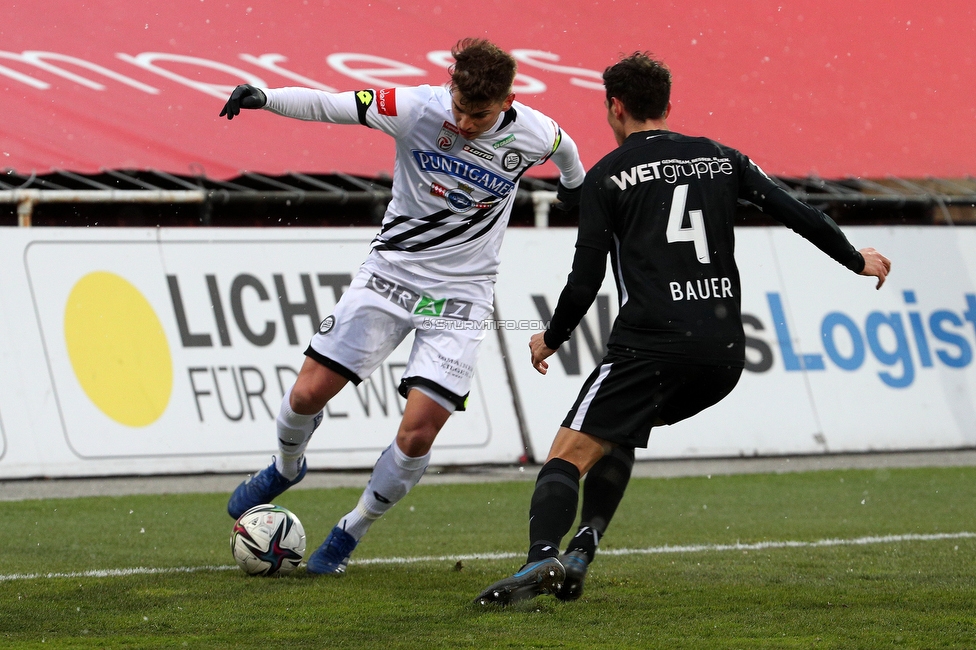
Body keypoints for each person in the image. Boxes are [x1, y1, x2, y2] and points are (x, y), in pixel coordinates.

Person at [474, 52, 891, 605]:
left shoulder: (605, 177)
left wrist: (550, 338)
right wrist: (853, 258)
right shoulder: (722, 159)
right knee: (617, 434)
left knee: (566, 454)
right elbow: (796, 210)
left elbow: (585, 280)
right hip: (721, 355)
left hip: (649, 344)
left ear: (614, 108)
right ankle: (584, 545)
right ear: (668, 106)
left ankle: (540, 559)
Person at [219, 38, 585, 576]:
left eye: (478, 114)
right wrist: (264, 96)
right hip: (388, 277)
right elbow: (330, 104)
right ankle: (286, 465)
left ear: (509, 101)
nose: (462, 121)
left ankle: (350, 531)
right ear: (449, 86)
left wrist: (575, 192)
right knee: (305, 393)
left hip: (460, 299)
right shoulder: (415, 108)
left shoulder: (535, 131)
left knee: (417, 433)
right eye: (458, 106)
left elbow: (569, 152)